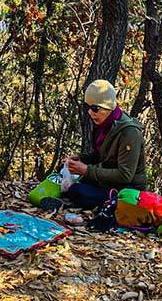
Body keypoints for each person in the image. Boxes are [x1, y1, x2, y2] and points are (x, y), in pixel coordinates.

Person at [63, 79, 147, 209]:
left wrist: (86, 170)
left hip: (126, 192)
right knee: (67, 175)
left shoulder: (130, 133)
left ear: (109, 107)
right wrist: (80, 159)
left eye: (95, 108)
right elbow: (101, 156)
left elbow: (125, 175)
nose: (90, 113)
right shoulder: (104, 125)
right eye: (87, 107)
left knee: (76, 191)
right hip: (107, 183)